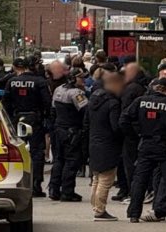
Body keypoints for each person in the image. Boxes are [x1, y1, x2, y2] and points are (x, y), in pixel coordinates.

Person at [121, 77, 166, 224]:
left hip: (145, 144)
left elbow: (124, 120)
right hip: (164, 146)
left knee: (139, 180)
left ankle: (133, 214)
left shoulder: (140, 101)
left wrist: (137, 134)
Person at [3, 56, 51, 197]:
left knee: (17, 151)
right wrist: (45, 117)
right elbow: (47, 102)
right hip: (35, 119)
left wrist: (11, 119)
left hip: (17, 119)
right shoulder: (40, 82)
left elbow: (5, 103)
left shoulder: (11, 82)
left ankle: (17, 182)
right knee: (37, 152)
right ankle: (36, 184)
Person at [87, 71, 124, 221]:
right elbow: (115, 127)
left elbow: (86, 122)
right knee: (106, 179)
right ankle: (100, 210)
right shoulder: (113, 103)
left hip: (94, 141)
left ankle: (95, 206)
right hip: (108, 144)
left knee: (97, 177)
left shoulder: (93, 99)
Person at [49, 68, 89, 202]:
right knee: (71, 162)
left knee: (59, 160)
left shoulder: (58, 89)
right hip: (72, 132)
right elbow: (86, 111)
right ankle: (67, 192)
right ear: (73, 79)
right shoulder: (77, 93)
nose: (83, 80)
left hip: (58, 130)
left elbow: (53, 110)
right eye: (81, 78)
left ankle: (54, 190)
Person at [115, 61, 149, 202]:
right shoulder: (139, 88)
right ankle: (130, 190)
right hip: (136, 132)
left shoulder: (131, 89)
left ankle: (131, 191)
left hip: (132, 133)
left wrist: (128, 130)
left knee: (130, 163)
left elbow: (126, 114)